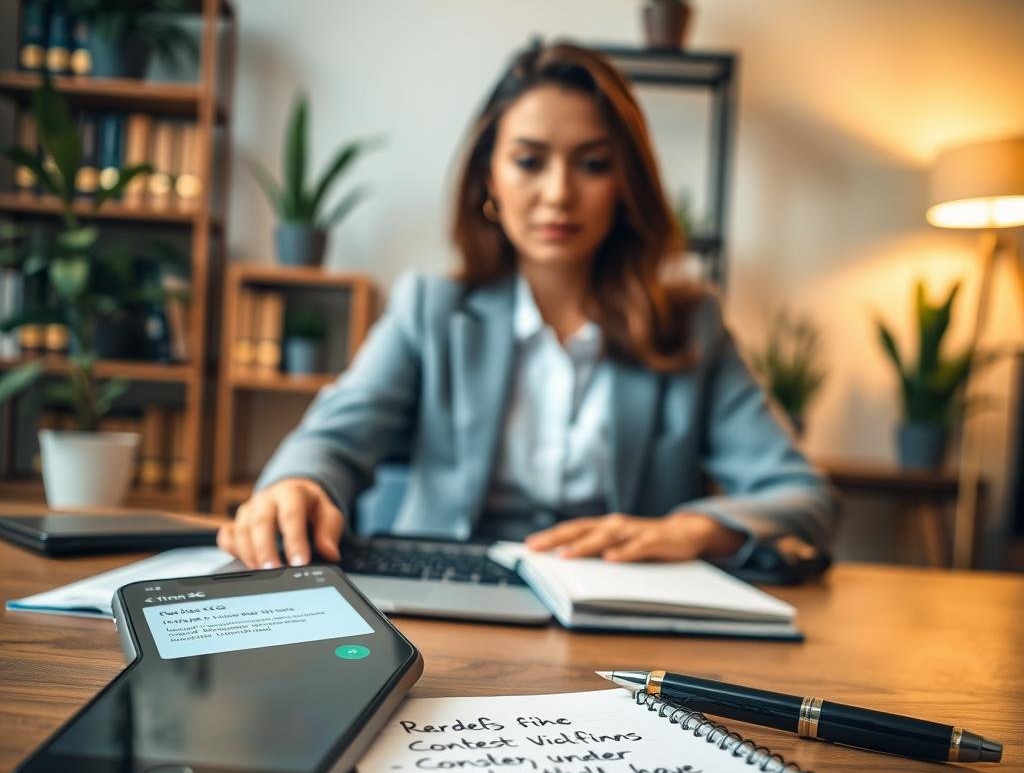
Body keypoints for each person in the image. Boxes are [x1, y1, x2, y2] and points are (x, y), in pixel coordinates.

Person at [217, 41, 838, 572]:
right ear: (489, 178)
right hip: (443, 604)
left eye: (593, 164)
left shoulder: (691, 324)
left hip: (618, 623)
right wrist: (297, 485)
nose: (559, 193)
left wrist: (692, 530)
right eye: (529, 161)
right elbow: (331, 441)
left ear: (626, 185)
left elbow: (801, 496)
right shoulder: (430, 309)